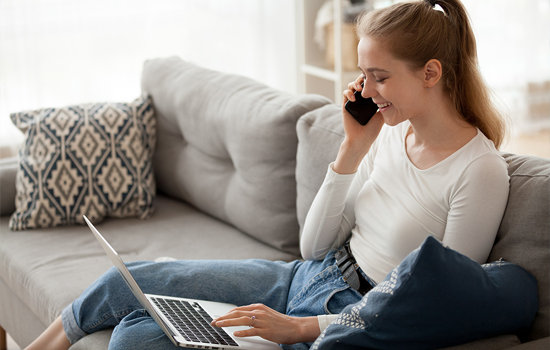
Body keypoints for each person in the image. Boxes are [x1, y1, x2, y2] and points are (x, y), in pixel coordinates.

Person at [24, 0, 510, 349]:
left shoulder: (478, 171)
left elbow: (438, 303)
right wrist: (351, 148)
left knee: (136, 341)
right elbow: (314, 248)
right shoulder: (387, 131)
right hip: (308, 276)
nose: (366, 90)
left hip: (346, 311)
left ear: (431, 73)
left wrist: (306, 328)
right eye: (363, 74)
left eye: (379, 76)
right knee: (126, 283)